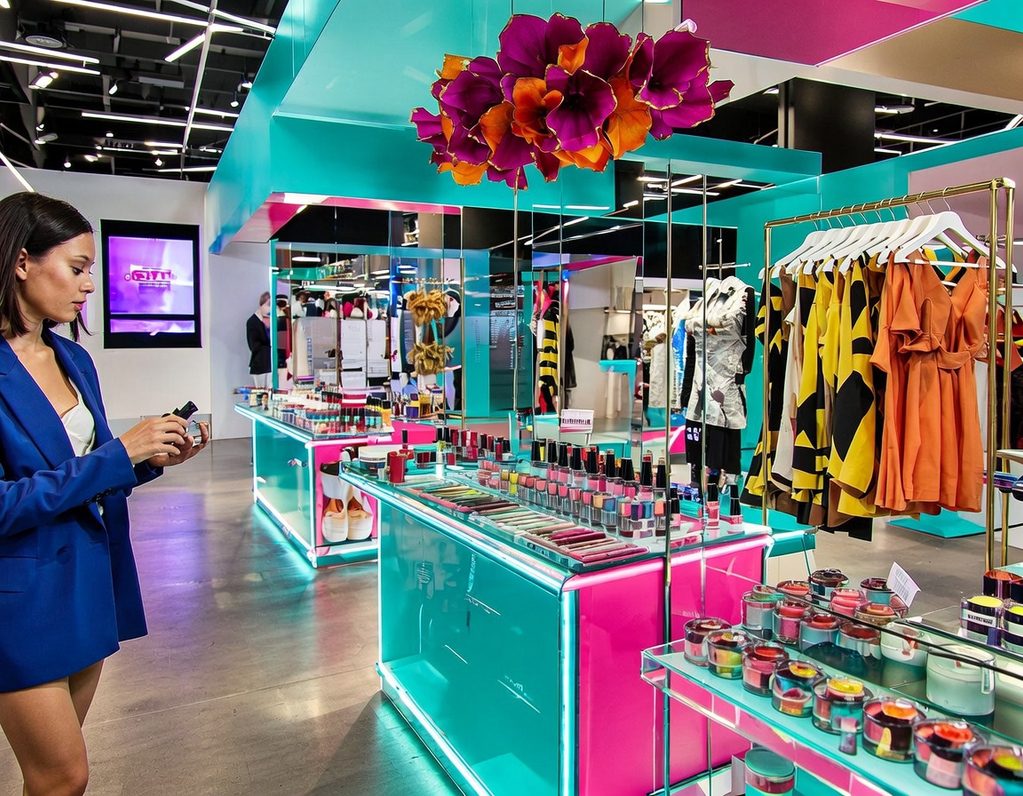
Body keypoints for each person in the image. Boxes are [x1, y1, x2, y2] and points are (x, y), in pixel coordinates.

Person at [0, 192, 210, 795]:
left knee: (51, 781)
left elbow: (82, 475)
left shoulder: (73, 358)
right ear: (22, 262)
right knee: (64, 776)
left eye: (91, 269)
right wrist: (119, 454)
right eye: (77, 268)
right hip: (21, 595)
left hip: (88, 579)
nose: (89, 284)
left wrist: (146, 461)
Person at [246, 291, 272, 388]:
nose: (270, 308)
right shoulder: (253, 321)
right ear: (261, 304)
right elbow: (253, 346)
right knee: (262, 393)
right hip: (260, 364)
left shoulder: (272, 320)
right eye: (268, 304)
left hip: (271, 364)